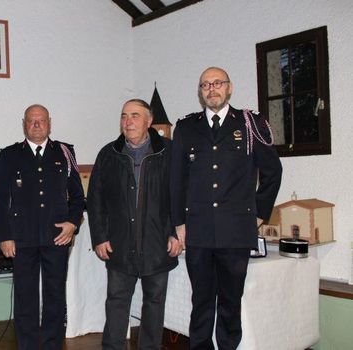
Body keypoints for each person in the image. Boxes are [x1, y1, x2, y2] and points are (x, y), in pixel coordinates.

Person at [170, 67, 283, 349]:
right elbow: (176, 180)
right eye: (205, 85)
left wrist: (259, 213)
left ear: (229, 88)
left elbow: (273, 171)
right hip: (198, 230)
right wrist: (178, 222)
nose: (212, 89)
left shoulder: (250, 124)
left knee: (231, 303)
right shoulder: (186, 127)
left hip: (236, 230)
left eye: (217, 83)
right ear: (200, 92)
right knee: (202, 302)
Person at [87, 99, 182, 350]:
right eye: (124, 116)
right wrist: (99, 236)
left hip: (158, 243)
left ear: (149, 121)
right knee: (117, 302)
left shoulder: (170, 151)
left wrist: (176, 232)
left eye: (135, 116)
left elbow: (182, 196)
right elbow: (95, 199)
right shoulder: (108, 154)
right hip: (119, 244)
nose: (128, 122)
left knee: (154, 303)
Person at [0, 104, 85, 350]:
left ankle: (53, 345)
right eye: (32, 121)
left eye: (41, 120)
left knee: (55, 296)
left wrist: (73, 223)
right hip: (22, 238)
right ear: (24, 124)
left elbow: (78, 197)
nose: (37, 125)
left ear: (49, 123)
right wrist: (5, 236)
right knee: (26, 298)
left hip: (57, 236)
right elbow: (1, 199)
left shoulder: (65, 152)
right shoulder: (10, 154)